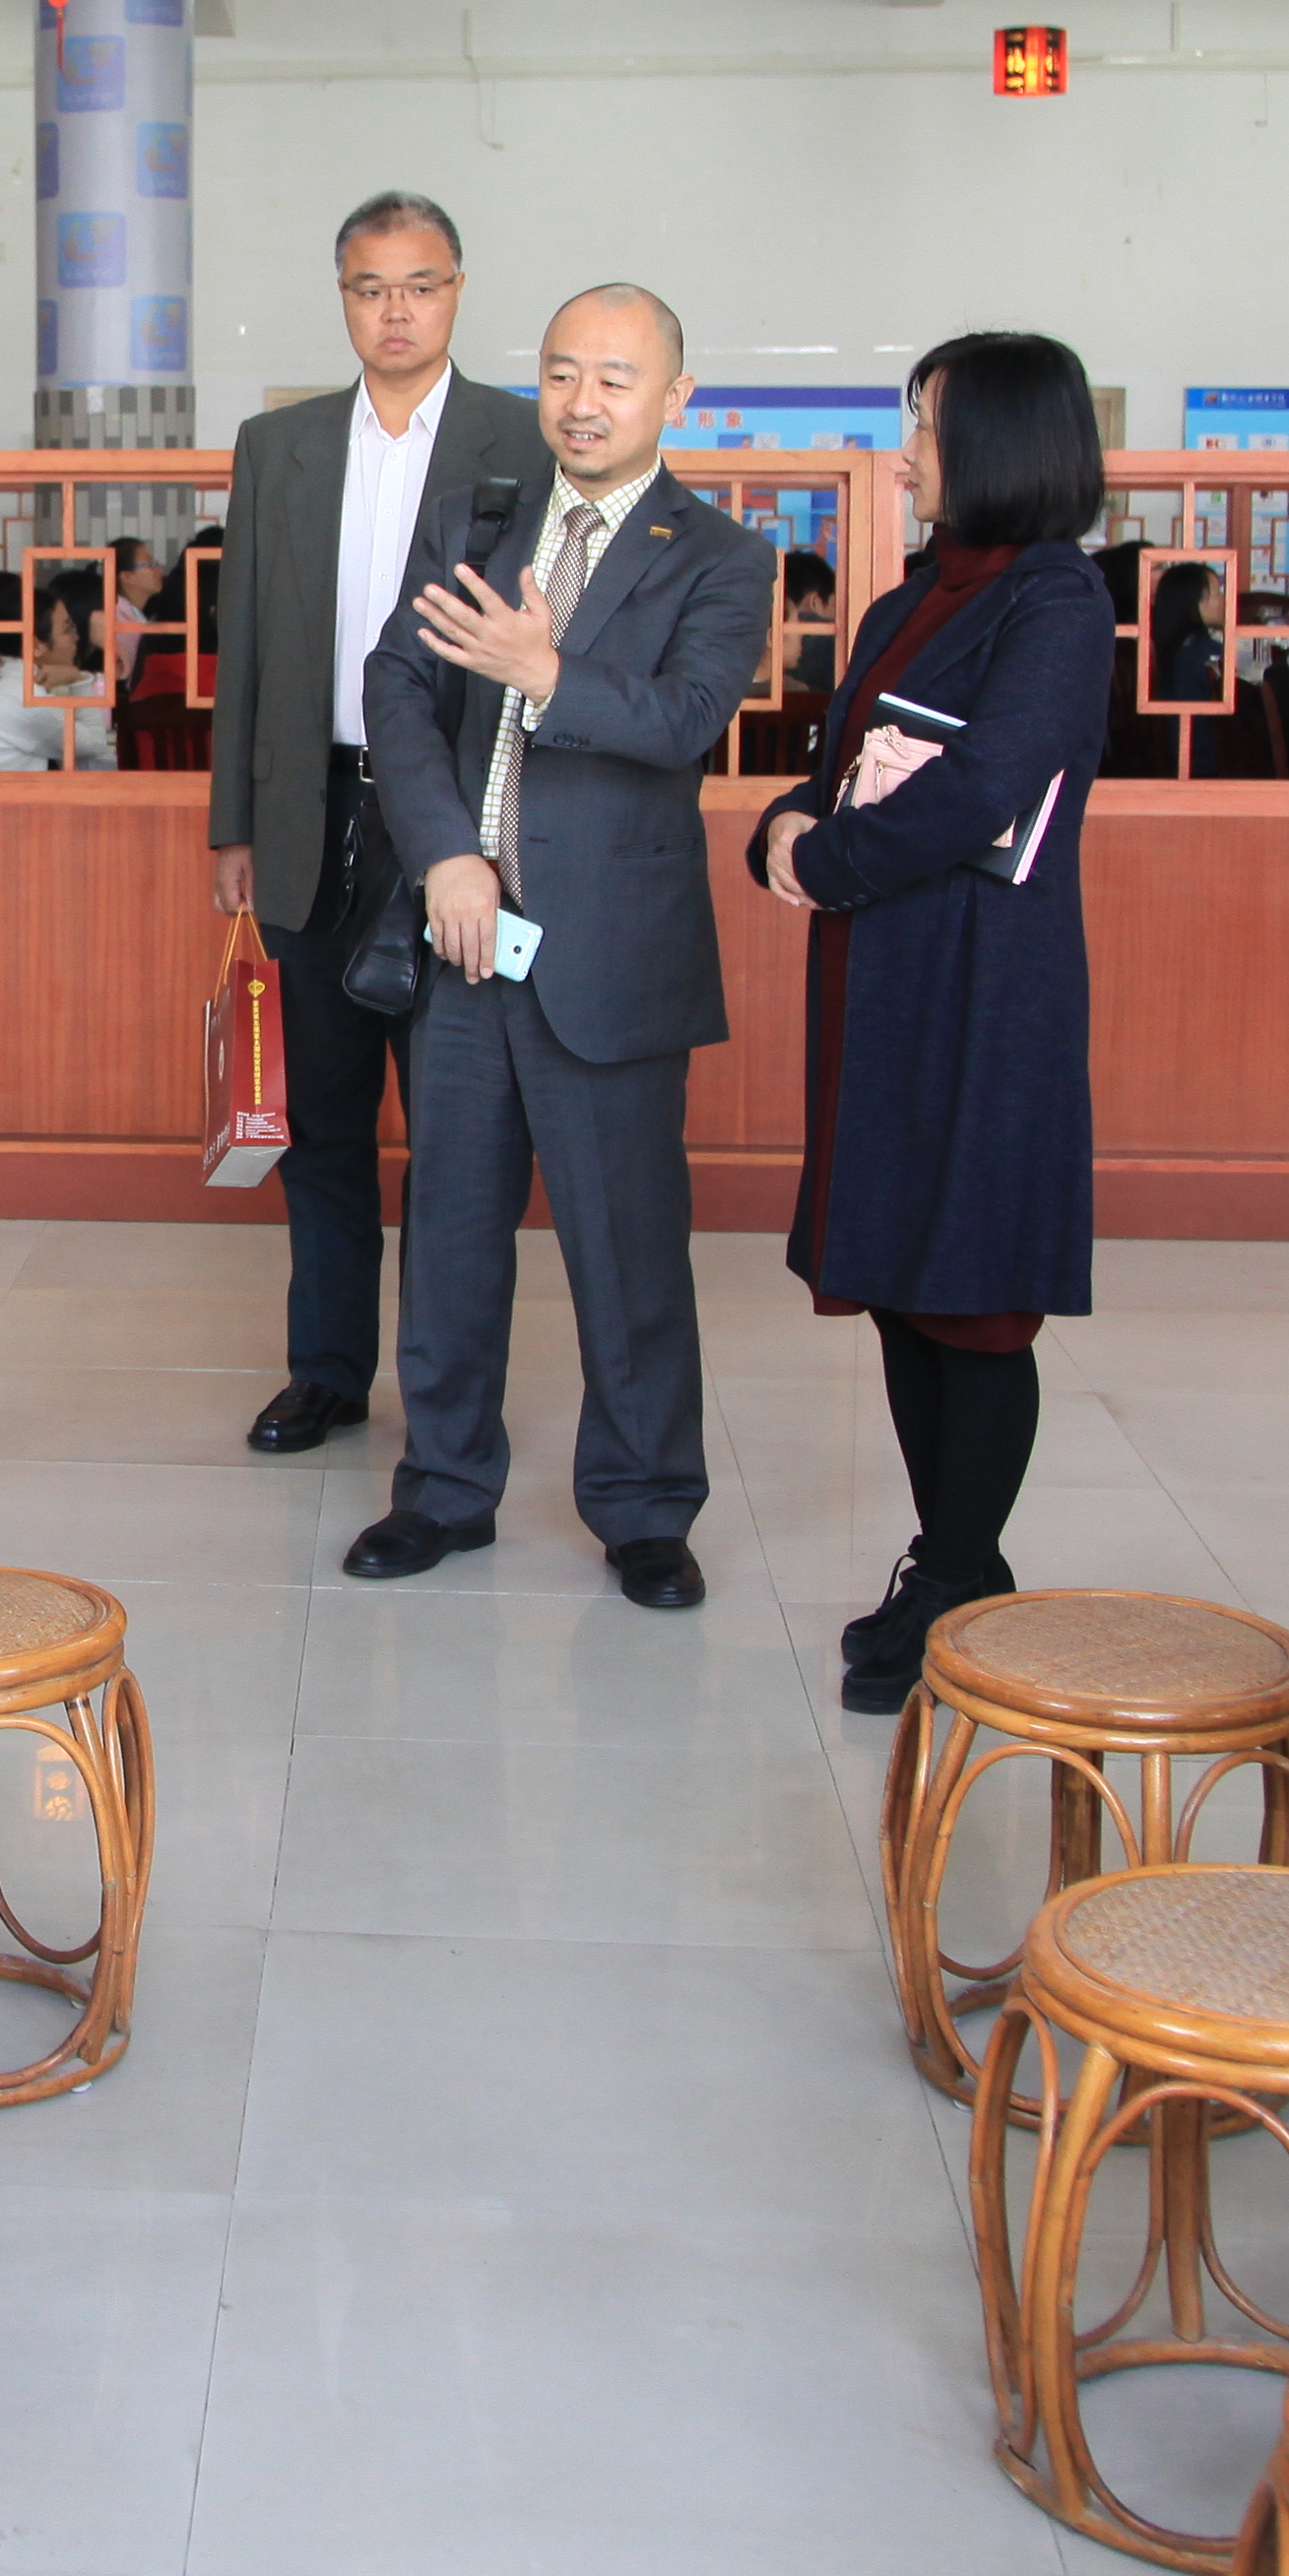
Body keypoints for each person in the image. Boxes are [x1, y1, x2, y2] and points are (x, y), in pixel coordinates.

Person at [350, 284, 774, 1606]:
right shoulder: (479, 519)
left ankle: (645, 1508)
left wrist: (542, 672)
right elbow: (396, 685)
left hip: (614, 956)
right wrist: (445, 854)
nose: (582, 404)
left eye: (615, 380)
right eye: (561, 374)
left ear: (674, 398)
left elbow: (687, 717)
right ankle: (442, 1488)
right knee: (449, 1238)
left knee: (627, 1250)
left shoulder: (722, 556)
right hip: (469, 946)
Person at [755, 329, 1119, 1715]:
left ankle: (962, 1574)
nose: (904, 453)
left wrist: (824, 860)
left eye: (922, 425)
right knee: (907, 1276)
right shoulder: (914, 594)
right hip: (882, 980)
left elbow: (981, 791)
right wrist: (786, 825)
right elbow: (841, 757)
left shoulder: (1056, 603)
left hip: (981, 988)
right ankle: (953, 1563)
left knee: (978, 1297)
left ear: (999, 442)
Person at [201, 190, 547, 1453]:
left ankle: (449, 1400)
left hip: (455, 830)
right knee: (325, 1122)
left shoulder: (522, 439)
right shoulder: (279, 446)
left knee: (458, 1133)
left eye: (420, 284)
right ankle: (329, 1370)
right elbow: (246, 646)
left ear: (457, 290)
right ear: (342, 296)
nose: (395, 310)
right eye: (369, 287)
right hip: (313, 816)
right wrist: (234, 823)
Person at [0, 560, 117, 770]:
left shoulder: (4, 680)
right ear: (36, 645)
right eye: (67, 629)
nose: (76, 637)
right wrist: (79, 678)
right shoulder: (24, 696)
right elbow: (94, 743)